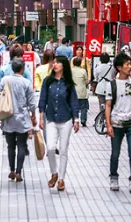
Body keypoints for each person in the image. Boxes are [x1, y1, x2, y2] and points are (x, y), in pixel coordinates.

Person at [38, 55, 80, 192]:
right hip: (50, 119)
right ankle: (54, 173)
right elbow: (43, 98)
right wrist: (40, 116)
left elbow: (74, 101)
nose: (54, 65)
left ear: (64, 66)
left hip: (66, 119)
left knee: (63, 150)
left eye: (58, 63)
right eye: (54, 62)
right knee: (50, 148)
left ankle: (61, 179)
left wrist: (76, 119)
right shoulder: (47, 81)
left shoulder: (68, 83)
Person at [104, 52, 131, 193]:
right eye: (127, 64)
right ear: (119, 67)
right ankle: (113, 177)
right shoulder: (112, 85)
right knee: (115, 153)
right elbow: (108, 105)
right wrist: (108, 124)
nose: (130, 66)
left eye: (129, 63)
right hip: (117, 123)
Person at [0, 57, 36, 182]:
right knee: (21, 145)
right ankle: (19, 172)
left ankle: (11, 170)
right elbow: (31, 103)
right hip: (22, 117)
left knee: (10, 146)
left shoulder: (5, 80)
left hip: (8, 117)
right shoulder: (26, 83)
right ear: (23, 69)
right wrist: (33, 115)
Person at [70, 57, 90, 126]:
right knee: (84, 107)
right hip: (82, 92)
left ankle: (73, 120)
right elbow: (87, 81)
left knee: (73, 106)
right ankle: (83, 120)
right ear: (80, 63)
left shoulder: (70, 71)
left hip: (73, 92)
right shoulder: (83, 71)